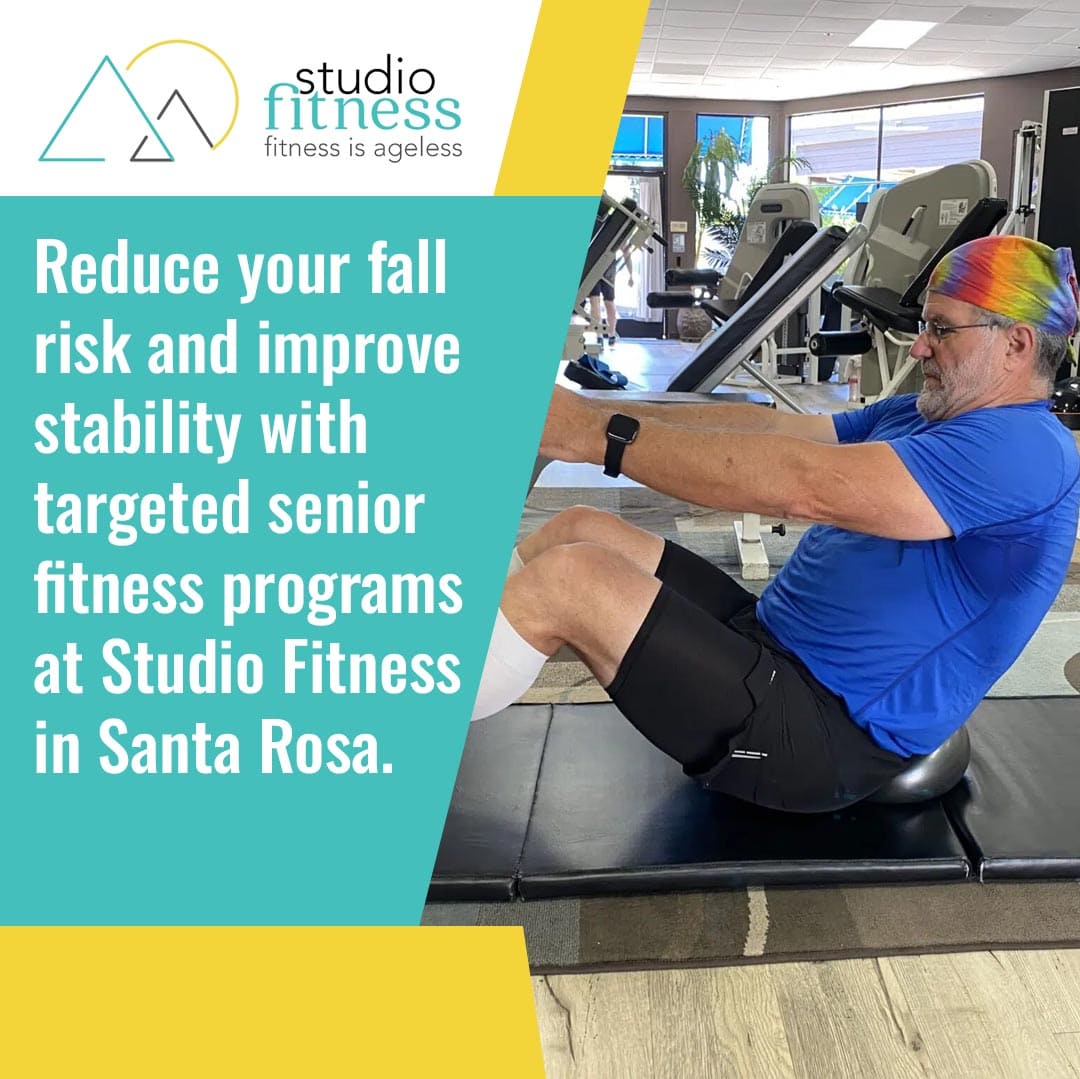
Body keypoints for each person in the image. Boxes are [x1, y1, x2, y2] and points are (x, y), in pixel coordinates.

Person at [471, 234, 1080, 813]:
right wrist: (587, 411)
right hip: (771, 637)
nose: (919, 346)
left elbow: (806, 486)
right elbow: (771, 430)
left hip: (823, 734)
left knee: (574, 581)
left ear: (1017, 345)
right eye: (925, 326)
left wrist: (586, 436)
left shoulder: (1028, 448)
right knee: (583, 528)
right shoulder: (924, 416)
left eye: (941, 329)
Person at [587, 202, 633, 347]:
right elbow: (626, 251)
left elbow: (626, 251)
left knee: (602, 302)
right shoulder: (610, 228)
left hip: (600, 268)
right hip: (600, 268)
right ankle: (606, 335)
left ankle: (606, 335)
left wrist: (631, 274)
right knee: (602, 302)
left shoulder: (605, 226)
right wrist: (630, 274)